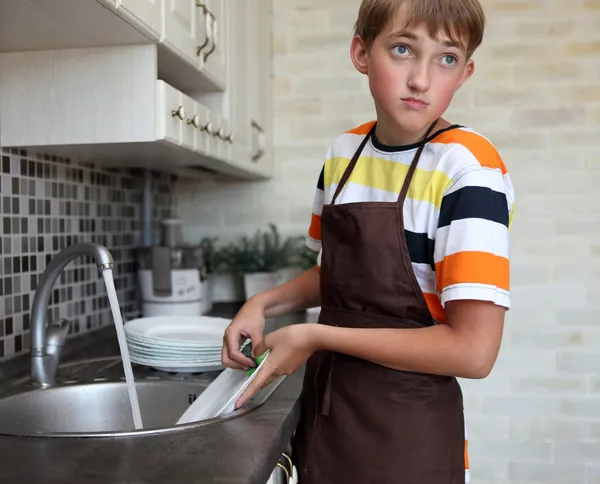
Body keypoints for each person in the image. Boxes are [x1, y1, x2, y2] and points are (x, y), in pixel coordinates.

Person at [221, 0, 515, 482]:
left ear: (465, 73)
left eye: (446, 58)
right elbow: (341, 274)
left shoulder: (468, 170)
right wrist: (263, 302)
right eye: (402, 49)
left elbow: (473, 352)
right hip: (327, 414)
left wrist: (314, 335)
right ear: (361, 52)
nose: (421, 79)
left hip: (405, 438)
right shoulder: (344, 154)